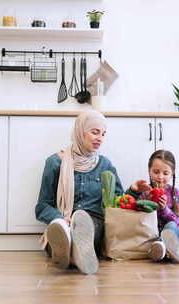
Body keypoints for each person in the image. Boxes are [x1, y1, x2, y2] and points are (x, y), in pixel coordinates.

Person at [35, 110, 124, 275]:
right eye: (95, 132)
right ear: (80, 131)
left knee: (88, 229)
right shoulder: (55, 162)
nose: (100, 138)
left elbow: (119, 203)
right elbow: (42, 207)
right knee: (60, 231)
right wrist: (60, 218)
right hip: (63, 218)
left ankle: (70, 255)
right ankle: (72, 252)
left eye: (103, 134)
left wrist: (134, 192)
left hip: (93, 223)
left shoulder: (105, 165)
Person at [126, 149, 179, 264]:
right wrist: (143, 200)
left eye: (165, 173)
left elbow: (177, 222)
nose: (160, 177)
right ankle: (166, 251)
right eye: (156, 172)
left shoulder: (176, 194)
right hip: (148, 236)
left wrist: (164, 209)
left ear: (172, 174)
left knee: (171, 225)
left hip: (170, 233)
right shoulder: (145, 192)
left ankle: (163, 246)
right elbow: (129, 210)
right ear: (149, 171)